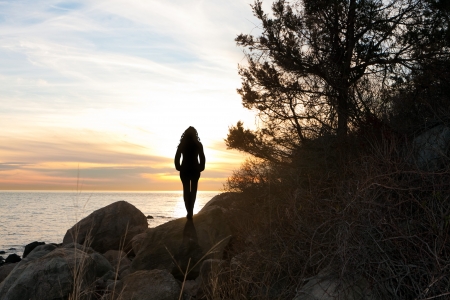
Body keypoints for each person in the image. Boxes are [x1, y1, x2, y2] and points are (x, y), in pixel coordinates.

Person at [174, 126, 205, 219]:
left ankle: (189, 211)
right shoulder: (198, 144)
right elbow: (202, 157)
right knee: (194, 190)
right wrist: (201, 167)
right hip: (195, 169)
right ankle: (191, 211)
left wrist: (178, 167)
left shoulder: (182, 144)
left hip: (185, 169)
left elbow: (177, 157)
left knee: (186, 190)